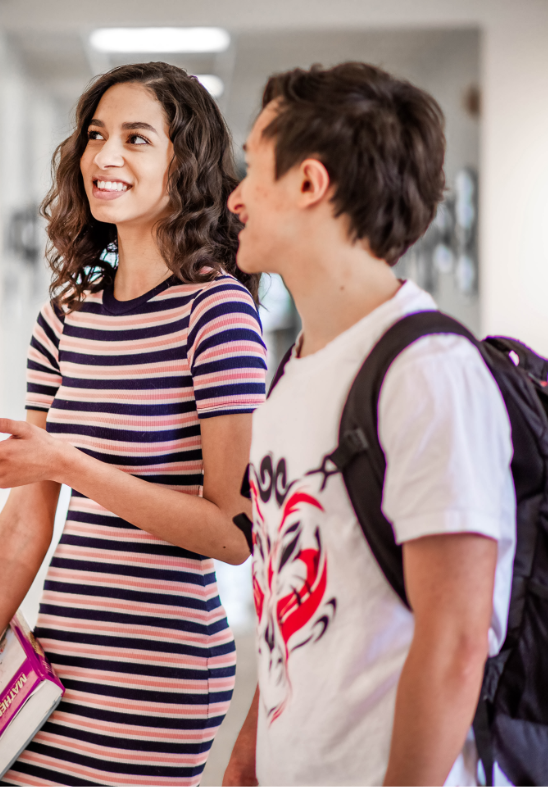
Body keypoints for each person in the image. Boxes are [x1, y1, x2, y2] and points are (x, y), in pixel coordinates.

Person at [0, 62, 268, 787]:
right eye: (97, 135)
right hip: (55, 662)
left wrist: (66, 464)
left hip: (158, 673)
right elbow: (22, 529)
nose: (105, 157)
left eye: (137, 138)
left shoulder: (219, 313)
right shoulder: (66, 317)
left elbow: (232, 532)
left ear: (185, 162)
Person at [219, 63, 515, 787]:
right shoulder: (297, 368)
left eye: (253, 168)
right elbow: (293, 606)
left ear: (309, 183)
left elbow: (454, 642)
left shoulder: (427, 370)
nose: (234, 199)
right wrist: (252, 756)